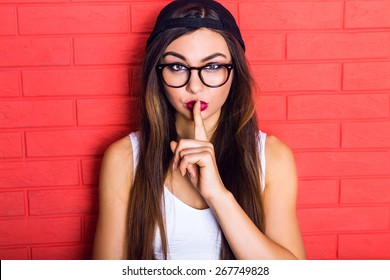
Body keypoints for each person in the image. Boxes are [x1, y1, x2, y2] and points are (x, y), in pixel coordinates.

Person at [92, 0, 306, 260]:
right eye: (177, 66)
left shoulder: (272, 156)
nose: (195, 86)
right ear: (157, 74)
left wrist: (217, 195)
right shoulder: (124, 158)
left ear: (235, 72)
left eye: (213, 66)